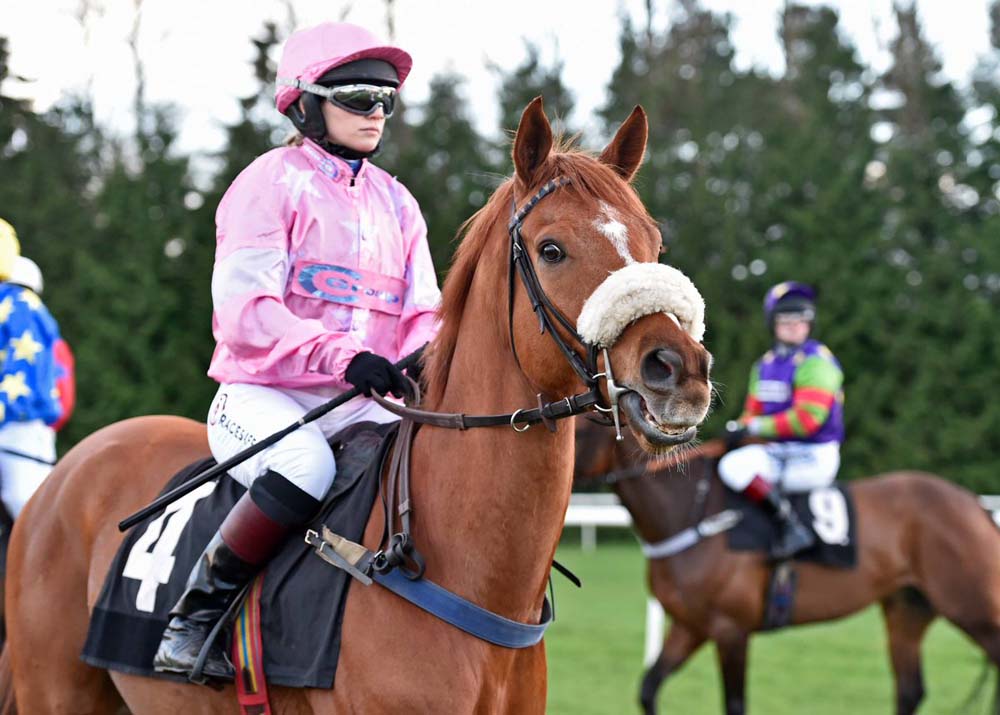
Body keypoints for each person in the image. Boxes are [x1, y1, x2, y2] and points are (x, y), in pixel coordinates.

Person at [153, 21, 441, 679]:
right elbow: (248, 313)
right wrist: (344, 358)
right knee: (307, 467)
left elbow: (425, 310)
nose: (377, 114)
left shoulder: (398, 203)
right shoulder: (267, 183)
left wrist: (422, 354)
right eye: (359, 98)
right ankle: (193, 618)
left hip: (361, 401)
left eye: (387, 100)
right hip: (262, 395)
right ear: (306, 102)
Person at [719, 281, 844, 560]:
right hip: (777, 451)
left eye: (801, 320)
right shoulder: (764, 364)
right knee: (731, 466)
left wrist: (754, 427)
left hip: (814, 455)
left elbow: (806, 421)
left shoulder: (817, 363)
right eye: (785, 320)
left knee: (764, 477)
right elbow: (753, 410)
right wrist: (740, 428)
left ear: (810, 324)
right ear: (772, 324)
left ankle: (793, 529)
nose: (794, 326)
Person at [0, 238, 64, 521]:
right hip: (33, 425)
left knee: (24, 501)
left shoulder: (18, 308)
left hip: (16, 422)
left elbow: (19, 378)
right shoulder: (40, 315)